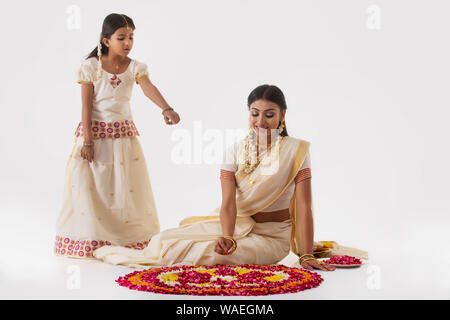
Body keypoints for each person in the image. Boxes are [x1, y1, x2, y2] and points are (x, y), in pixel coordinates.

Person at [94, 85, 368, 270]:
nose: (261, 121)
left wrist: (306, 253)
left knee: (210, 255)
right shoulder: (234, 150)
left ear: (283, 115)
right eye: (255, 114)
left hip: (273, 237)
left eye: (269, 115)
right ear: (248, 114)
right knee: (162, 242)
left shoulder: (296, 151)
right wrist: (227, 236)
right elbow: (227, 203)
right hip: (236, 224)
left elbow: (305, 206)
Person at [54, 13, 180, 259]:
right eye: (121, 37)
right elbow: (86, 107)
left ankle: (126, 239)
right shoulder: (91, 67)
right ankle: (91, 239)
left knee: (125, 190)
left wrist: (166, 108)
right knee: (92, 188)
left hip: (123, 139)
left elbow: (148, 88)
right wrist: (88, 141)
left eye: (131, 37)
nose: (127, 43)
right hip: (95, 136)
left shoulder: (135, 67)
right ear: (106, 40)